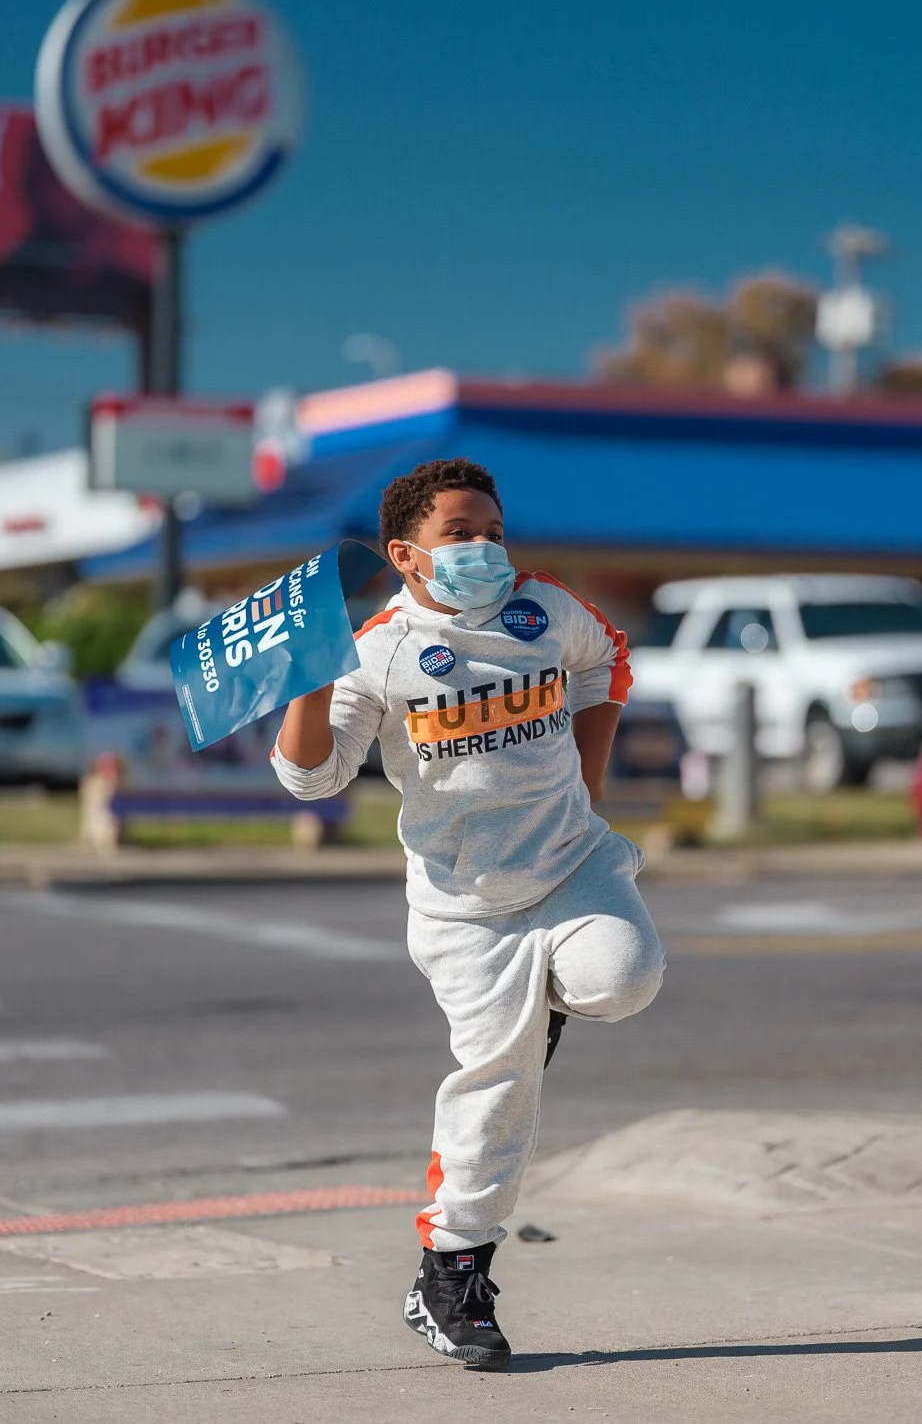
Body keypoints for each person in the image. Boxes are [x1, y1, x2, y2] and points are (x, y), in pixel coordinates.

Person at [270, 457, 665, 1369]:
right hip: (464, 907)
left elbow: (607, 660)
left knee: (624, 977)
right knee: (496, 1093)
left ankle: (544, 999)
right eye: (459, 534)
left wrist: (588, 784)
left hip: (572, 865)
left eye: (493, 531)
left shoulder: (545, 609)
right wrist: (308, 677)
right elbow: (311, 778)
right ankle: (449, 1276)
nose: (484, 547)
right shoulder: (378, 649)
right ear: (406, 554)